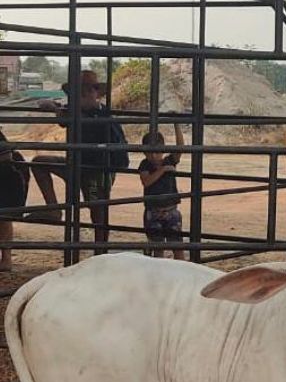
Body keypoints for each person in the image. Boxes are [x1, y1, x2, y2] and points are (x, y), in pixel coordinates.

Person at [28, 70, 128, 249]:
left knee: (98, 212)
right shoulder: (79, 111)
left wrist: (57, 108)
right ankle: (53, 208)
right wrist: (56, 107)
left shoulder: (101, 114)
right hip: (76, 164)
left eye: (87, 91)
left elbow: (74, 119)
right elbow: (64, 118)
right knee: (39, 163)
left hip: (97, 168)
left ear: (95, 93)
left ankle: (100, 252)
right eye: (80, 92)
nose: (83, 95)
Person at [139, 124, 184, 260]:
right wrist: (163, 170)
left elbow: (180, 147)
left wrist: (176, 125)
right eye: (150, 153)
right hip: (153, 211)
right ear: (144, 153)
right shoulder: (145, 165)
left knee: (177, 247)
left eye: (157, 152)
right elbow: (146, 181)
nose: (154, 156)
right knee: (158, 249)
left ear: (163, 150)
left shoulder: (170, 160)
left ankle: (181, 273)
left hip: (170, 210)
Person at [0, 129, 30, 271]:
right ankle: (6, 259)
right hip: (9, 174)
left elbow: (6, 156)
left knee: (4, 215)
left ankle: (6, 259)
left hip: (7, 175)